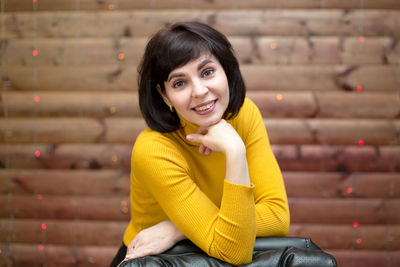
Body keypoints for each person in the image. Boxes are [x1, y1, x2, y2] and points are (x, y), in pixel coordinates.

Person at [110, 21, 290, 267]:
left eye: (207, 72)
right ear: (164, 95)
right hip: (157, 260)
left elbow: (278, 217)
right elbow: (233, 251)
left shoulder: (245, 114)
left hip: (206, 249)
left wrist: (178, 229)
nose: (199, 91)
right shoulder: (153, 148)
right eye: (179, 83)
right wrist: (237, 153)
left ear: (226, 70)